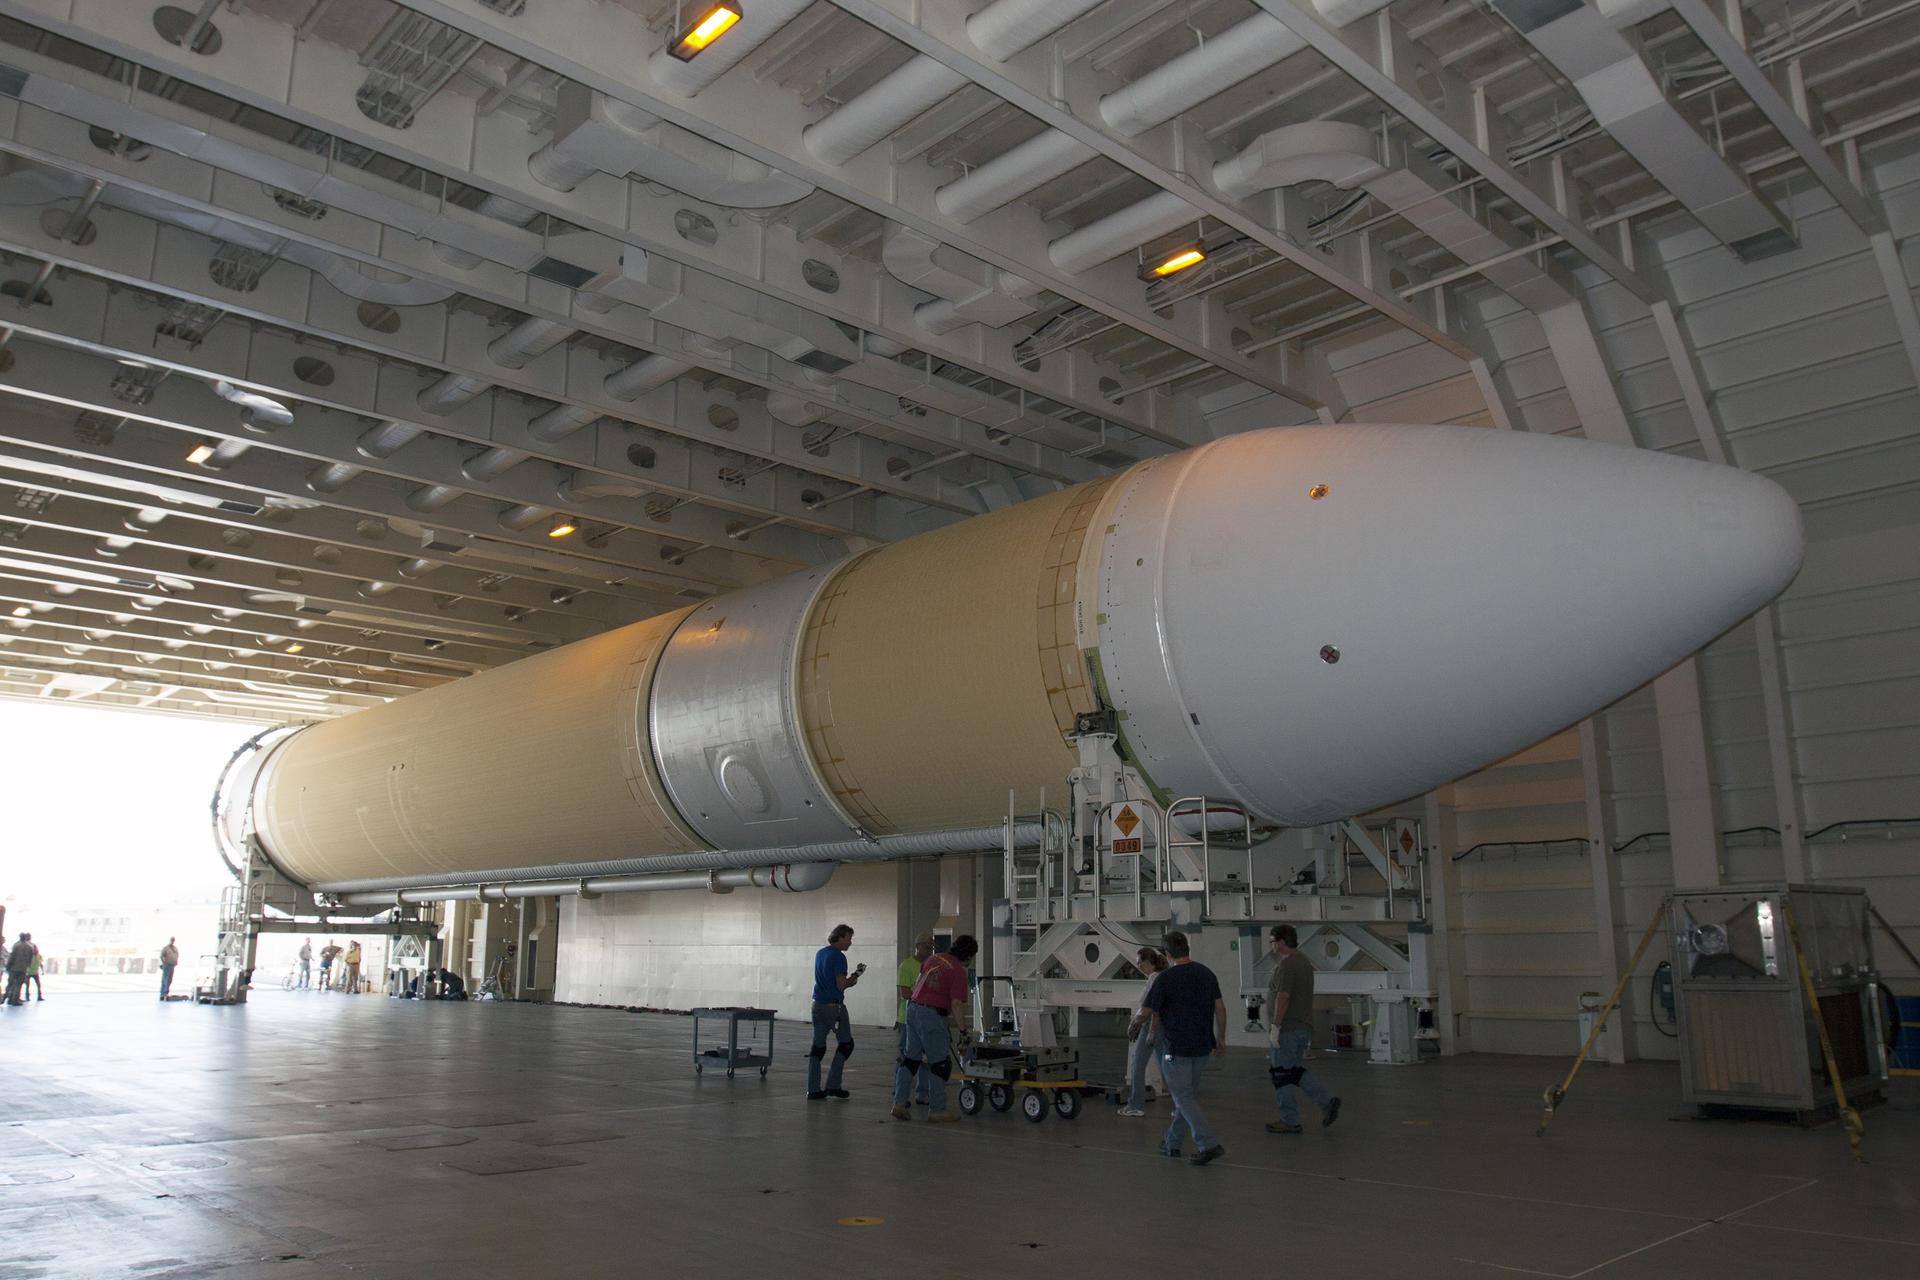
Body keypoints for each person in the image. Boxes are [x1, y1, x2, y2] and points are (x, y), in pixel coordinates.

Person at [1142, 930, 1227, 1165]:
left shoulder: (1165, 979)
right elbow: (1220, 1008)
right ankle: (1172, 1143)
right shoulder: (1206, 973)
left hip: (1176, 1049)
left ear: (1167, 954)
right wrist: (1221, 1038)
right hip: (1202, 1048)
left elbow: (1147, 1011)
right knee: (1185, 1097)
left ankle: (1208, 1144)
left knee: (1183, 1098)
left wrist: (1135, 1023)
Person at [890, 934, 977, 1123]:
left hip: (913, 1010)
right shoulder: (957, 970)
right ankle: (937, 1109)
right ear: (969, 955)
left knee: (910, 1060)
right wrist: (963, 1030)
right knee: (940, 1064)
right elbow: (956, 1004)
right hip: (931, 1015)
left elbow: (920, 984)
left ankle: (899, 1103)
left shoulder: (933, 959)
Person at [1265, 925, 1340, 1133]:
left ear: (1281, 942)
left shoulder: (1287, 964)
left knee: (1281, 1074)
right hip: (1302, 1027)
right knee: (1294, 1071)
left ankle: (1289, 1119)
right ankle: (1327, 1102)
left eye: (1272, 941)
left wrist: (1276, 1026)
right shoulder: (1304, 962)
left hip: (1288, 1028)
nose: (1271, 946)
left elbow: (1283, 996)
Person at [807, 924, 864, 1100]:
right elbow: (841, 985)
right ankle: (833, 1085)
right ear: (840, 937)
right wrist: (855, 976)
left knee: (818, 1047)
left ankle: (813, 1089)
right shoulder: (839, 957)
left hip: (818, 1004)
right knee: (846, 1044)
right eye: (849, 938)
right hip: (834, 1007)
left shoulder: (821, 953)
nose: (850, 942)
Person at [1119, 946, 1170, 1116]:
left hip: (1151, 1026)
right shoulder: (1162, 976)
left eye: (1140, 962)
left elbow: (1150, 1007)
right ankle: (1181, 1106)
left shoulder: (1154, 978)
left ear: (1148, 961)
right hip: (1163, 1027)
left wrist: (1135, 1024)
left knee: (1138, 1065)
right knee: (1166, 1066)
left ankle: (1135, 1105)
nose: (1138, 966)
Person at [895, 934, 934, 1105]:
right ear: (917, 946)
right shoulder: (907, 966)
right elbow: (905, 993)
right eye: (926, 947)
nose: (929, 951)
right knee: (906, 1057)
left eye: (931, 948)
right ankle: (900, 1093)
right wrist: (924, 998)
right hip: (908, 1019)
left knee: (926, 1058)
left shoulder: (932, 966)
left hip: (926, 1018)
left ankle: (922, 1092)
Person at [5, 933, 35, 1006]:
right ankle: (15, 999)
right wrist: (27, 966)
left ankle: (6, 998)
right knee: (19, 984)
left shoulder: (16, 945)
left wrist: (8, 966)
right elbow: (30, 959)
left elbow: (12, 957)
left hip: (14, 968)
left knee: (10, 983)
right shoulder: (30, 947)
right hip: (23, 969)